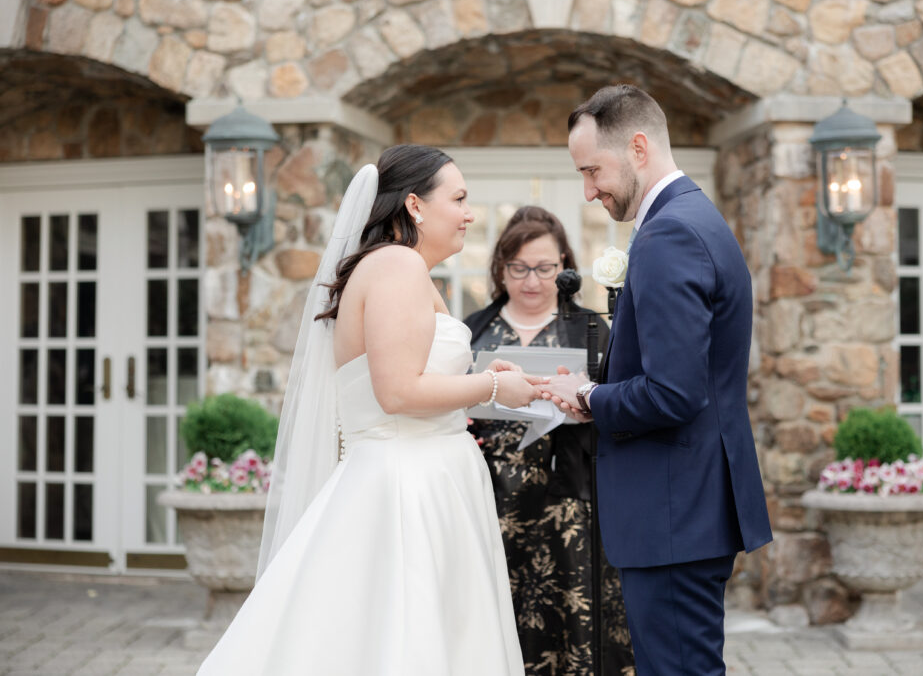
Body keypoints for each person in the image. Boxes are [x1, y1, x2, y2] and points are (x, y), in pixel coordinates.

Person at [198, 145, 538, 675]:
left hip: (423, 474)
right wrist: (492, 386)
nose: (469, 213)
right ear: (415, 205)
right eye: (460, 199)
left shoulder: (399, 270)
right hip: (407, 485)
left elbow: (424, 382)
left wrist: (523, 385)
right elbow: (398, 393)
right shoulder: (397, 266)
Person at [540, 85, 774, 675]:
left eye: (592, 170)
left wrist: (589, 395)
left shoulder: (670, 234)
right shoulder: (695, 217)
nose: (588, 190)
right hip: (688, 505)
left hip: (675, 510)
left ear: (638, 147)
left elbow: (674, 391)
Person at [463, 206, 634, 675]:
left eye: (544, 268)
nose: (532, 281)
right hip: (490, 497)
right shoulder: (473, 329)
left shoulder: (592, 329)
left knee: (570, 619)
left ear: (564, 266)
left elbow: (621, 406)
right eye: (519, 268)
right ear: (500, 268)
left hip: (569, 501)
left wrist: (587, 401)